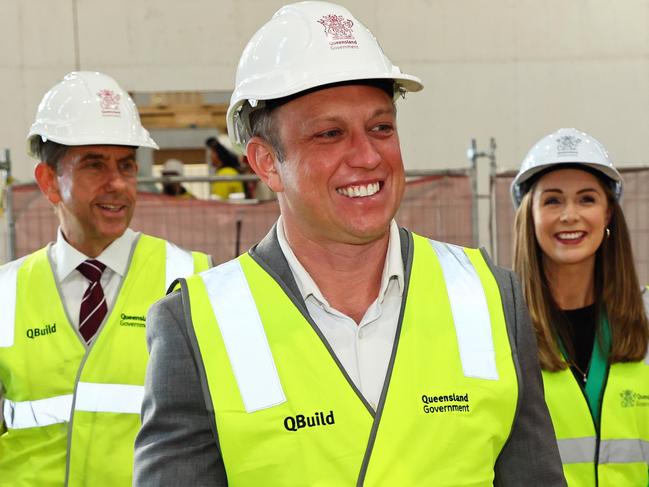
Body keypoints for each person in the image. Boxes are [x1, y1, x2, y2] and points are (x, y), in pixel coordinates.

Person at [134, 2, 566, 485]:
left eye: (381, 127)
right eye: (330, 134)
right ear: (266, 162)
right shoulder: (194, 326)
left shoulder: (492, 299)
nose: (367, 156)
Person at [0, 71, 212, 487]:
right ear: (49, 182)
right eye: (94, 165)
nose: (117, 184)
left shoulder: (191, 279)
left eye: (126, 166)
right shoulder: (5, 293)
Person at [511, 128, 649, 486]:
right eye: (553, 201)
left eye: (586, 199)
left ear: (608, 216)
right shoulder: (501, 327)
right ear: (530, 216)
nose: (569, 215)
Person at [206, 135, 246, 200]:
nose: (210, 155)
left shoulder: (225, 174)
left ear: (222, 154)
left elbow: (219, 201)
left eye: (213, 152)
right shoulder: (231, 172)